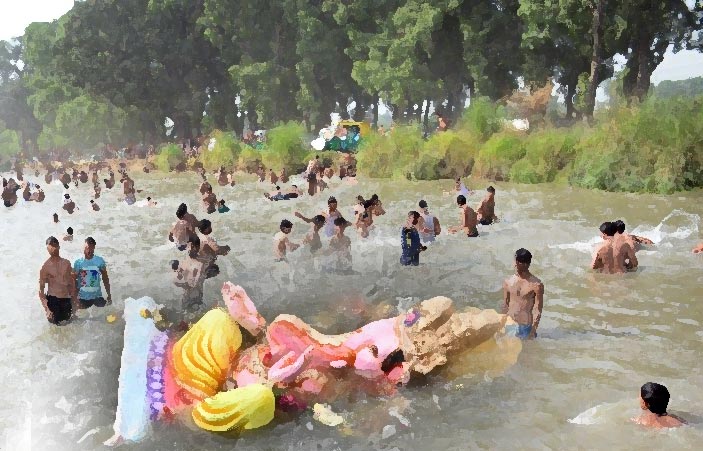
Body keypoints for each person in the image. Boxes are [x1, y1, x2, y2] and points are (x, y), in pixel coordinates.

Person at [502, 248, 544, 339]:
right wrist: (501, 325)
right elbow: (505, 305)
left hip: (525, 327)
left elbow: (537, 310)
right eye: (517, 261)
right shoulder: (508, 282)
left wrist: (533, 330)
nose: (516, 264)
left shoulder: (536, 285)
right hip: (509, 325)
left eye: (519, 262)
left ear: (527, 264)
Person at [39, 236, 78, 325]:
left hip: (66, 300)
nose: (52, 248)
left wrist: (75, 303)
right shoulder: (45, 267)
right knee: (55, 329)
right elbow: (41, 291)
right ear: (47, 249)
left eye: (54, 245)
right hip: (53, 301)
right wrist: (47, 309)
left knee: (69, 326)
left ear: (59, 246)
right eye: (50, 246)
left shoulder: (67, 263)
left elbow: (72, 285)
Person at [73, 236, 112, 310]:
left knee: (105, 313)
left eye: (92, 248)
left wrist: (109, 294)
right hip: (82, 298)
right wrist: (75, 298)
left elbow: (105, 278)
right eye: (87, 248)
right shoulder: (78, 263)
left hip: (97, 297)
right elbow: (73, 281)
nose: (89, 251)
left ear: (94, 248)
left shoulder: (99, 261)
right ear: (84, 247)